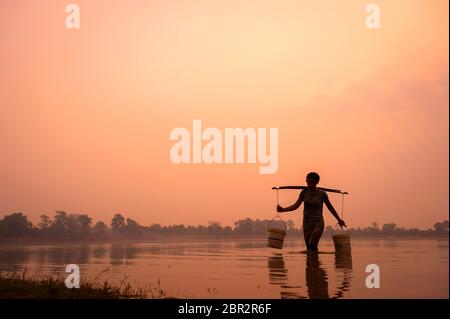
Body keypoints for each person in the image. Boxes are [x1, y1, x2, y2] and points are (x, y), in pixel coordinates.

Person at [277, 172, 346, 252]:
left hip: (318, 223)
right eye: (308, 182)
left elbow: (330, 208)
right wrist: (283, 209)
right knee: (309, 248)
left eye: (312, 182)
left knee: (312, 243)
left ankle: (315, 262)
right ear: (306, 181)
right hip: (307, 223)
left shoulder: (322, 194)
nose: (309, 184)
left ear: (317, 182)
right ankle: (313, 262)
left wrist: (339, 220)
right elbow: (296, 206)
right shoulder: (304, 192)